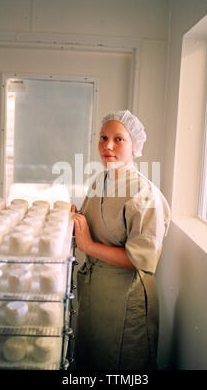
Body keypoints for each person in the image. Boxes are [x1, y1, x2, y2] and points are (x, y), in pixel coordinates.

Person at [72, 110, 170, 370]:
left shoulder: (143, 193)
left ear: (135, 146)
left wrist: (88, 246)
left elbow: (141, 259)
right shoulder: (99, 181)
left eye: (119, 139)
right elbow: (94, 225)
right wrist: (74, 222)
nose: (108, 146)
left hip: (126, 297)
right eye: (103, 138)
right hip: (96, 292)